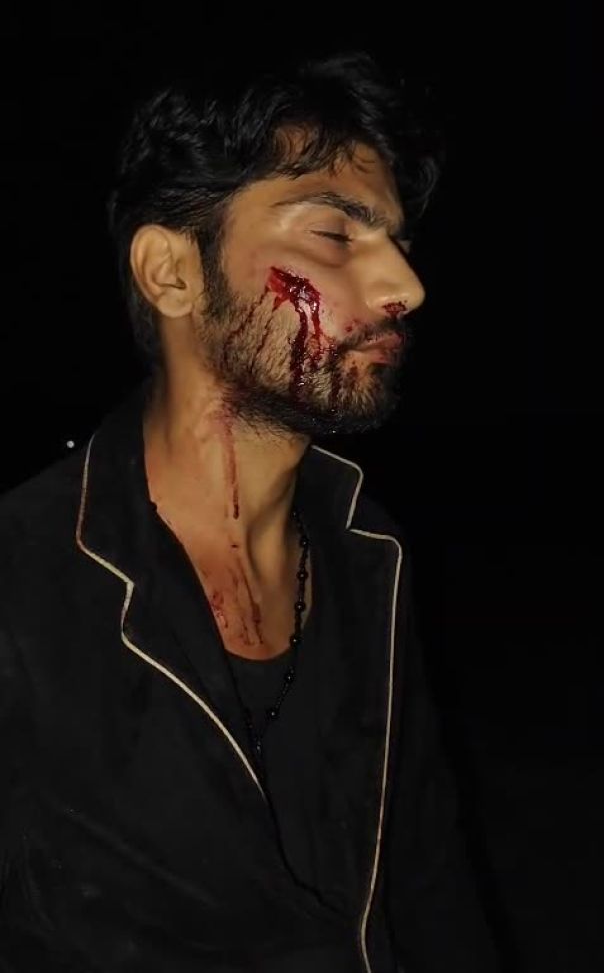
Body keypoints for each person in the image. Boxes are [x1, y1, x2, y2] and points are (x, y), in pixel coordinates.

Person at [0, 53, 500, 971]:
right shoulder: (25, 580)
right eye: (335, 234)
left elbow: (427, 883)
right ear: (172, 273)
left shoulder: (370, 554)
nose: (405, 286)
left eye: (396, 240)